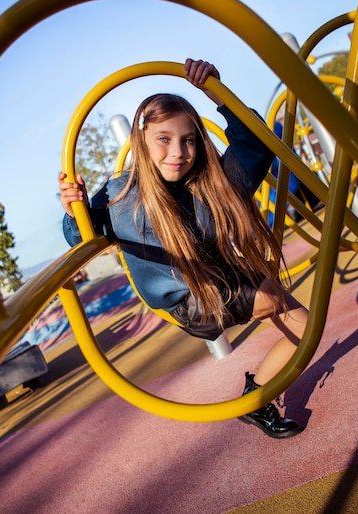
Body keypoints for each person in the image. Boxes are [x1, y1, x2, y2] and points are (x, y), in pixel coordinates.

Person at [59, 58, 308, 438]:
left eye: (188, 139)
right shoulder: (122, 195)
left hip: (222, 274)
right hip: (188, 297)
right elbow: (81, 235)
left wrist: (217, 95)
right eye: (164, 138)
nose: (177, 151)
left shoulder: (211, 182)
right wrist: (72, 207)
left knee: (305, 328)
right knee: (271, 297)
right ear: (141, 140)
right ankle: (255, 394)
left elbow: (258, 141)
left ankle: (255, 396)